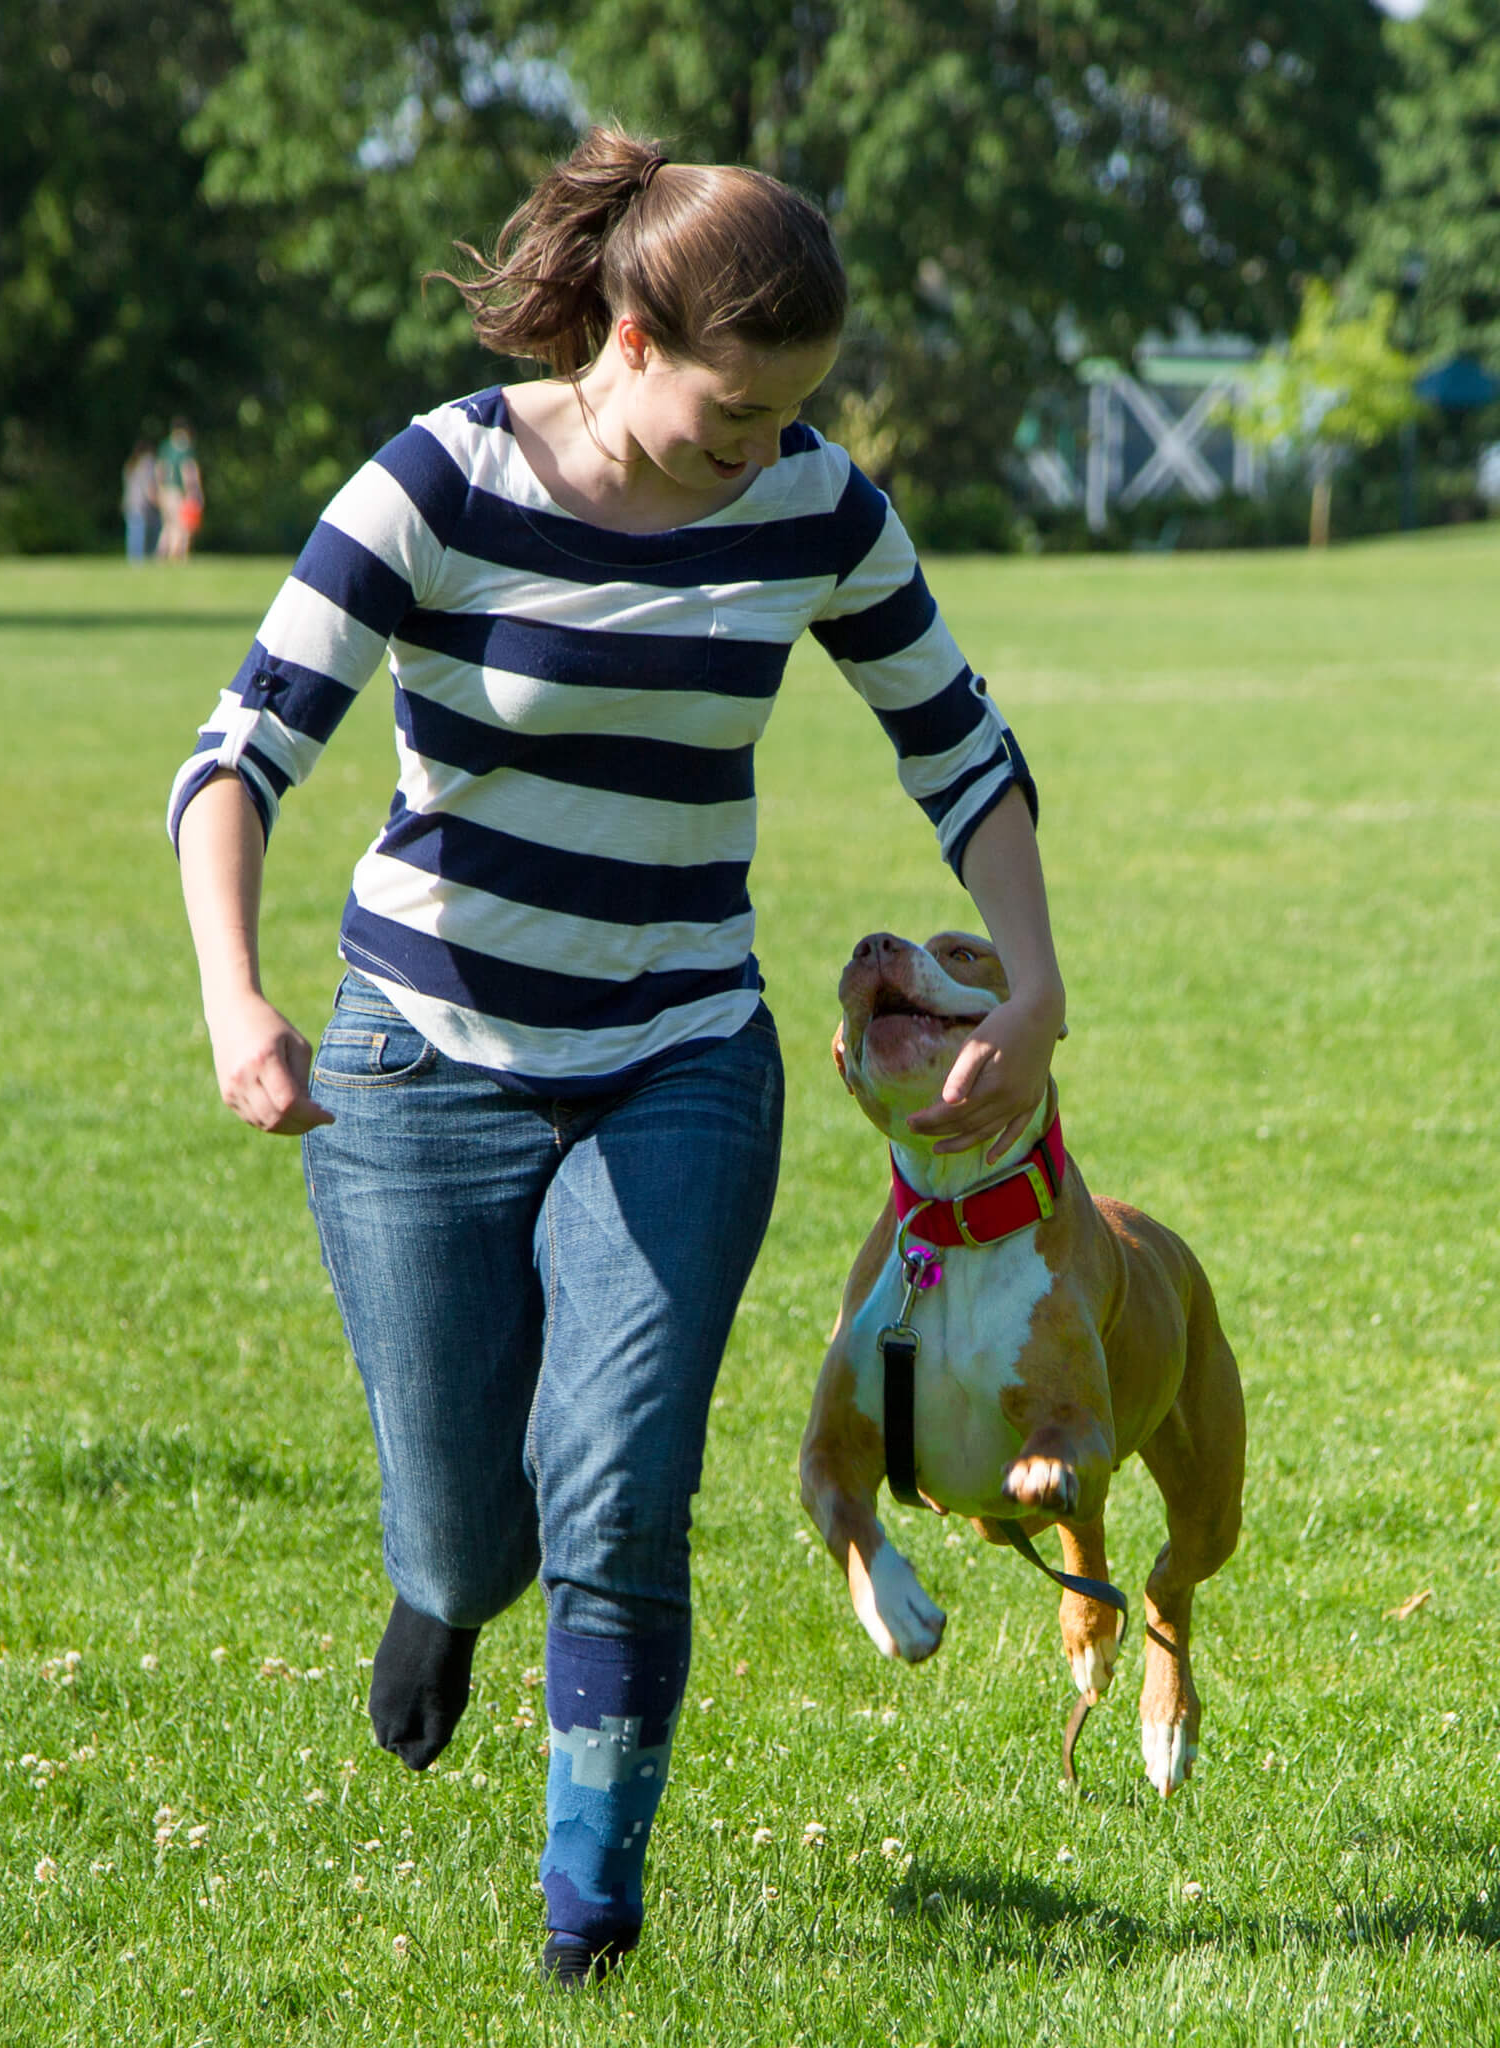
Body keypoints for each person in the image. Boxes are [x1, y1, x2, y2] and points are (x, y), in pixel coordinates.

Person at [169, 127, 1065, 1987]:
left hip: (680, 1050)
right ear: (632, 331)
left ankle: (591, 1913)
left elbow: (958, 740)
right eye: (734, 411)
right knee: (475, 1524)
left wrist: (1037, 983)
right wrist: (234, 996)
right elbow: (238, 752)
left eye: (794, 415)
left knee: (621, 1480)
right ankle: (443, 1584)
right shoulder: (442, 478)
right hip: (421, 1057)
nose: (764, 451)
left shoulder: (811, 502)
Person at [156, 418, 204, 558]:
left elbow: (160, 470)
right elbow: (188, 471)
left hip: (166, 490)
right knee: (181, 525)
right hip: (178, 491)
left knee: (168, 525)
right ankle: (177, 555)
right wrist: (194, 491)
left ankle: (161, 554)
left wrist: (160, 490)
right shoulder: (184, 449)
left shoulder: (166, 447)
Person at [121, 440, 159, 560]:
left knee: (134, 533)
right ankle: (144, 557)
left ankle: (134, 558)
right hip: (143, 505)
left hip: (130, 503)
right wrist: (157, 501)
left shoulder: (131, 465)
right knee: (146, 532)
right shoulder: (148, 463)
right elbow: (149, 486)